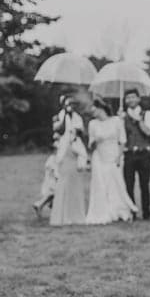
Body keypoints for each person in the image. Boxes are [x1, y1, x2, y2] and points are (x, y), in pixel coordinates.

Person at [85, 97, 138, 224]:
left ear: (101, 108)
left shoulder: (116, 121)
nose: (93, 113)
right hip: (99, 157)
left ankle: (119, 210)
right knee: (101, 184)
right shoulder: (93, 124)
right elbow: (90, 145)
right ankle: (104, 211)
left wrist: (119, 157)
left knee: (116, 183)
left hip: (114, 155)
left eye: (94, 110)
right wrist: (94, 141)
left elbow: (123, 141)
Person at [49, 95, 89, 226]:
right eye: (67, 105)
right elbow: (58, 130)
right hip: (63, 151)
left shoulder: (78, 118)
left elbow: (82, 133)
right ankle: (61, 216)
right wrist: (65, 117)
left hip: (75, 150)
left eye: (72, 105)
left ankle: (75, 215)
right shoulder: (59, 117)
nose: (70, 107)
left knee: (75, 184)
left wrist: (76, 131)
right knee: (63, 182)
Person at [121, 89, 150, 220]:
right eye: (127, 98)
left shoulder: (147, 114)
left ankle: (146, 212)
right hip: (129, 154)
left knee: (144, 184)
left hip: (143, 153)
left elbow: (149, 132)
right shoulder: (122, 116)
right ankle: (132, 212)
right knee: (128, 184)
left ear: (138, 99)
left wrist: (138, 120)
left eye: (133, 97)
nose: (130, 100)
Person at [32, 135, 60, 218]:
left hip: (49, 181)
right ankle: (39, 204)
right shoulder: (54, 159)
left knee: (51, 196)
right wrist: (57, 178)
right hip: (52, 182)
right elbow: (55, 172)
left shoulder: (51, 158)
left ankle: (41, 206)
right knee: (52, 195)